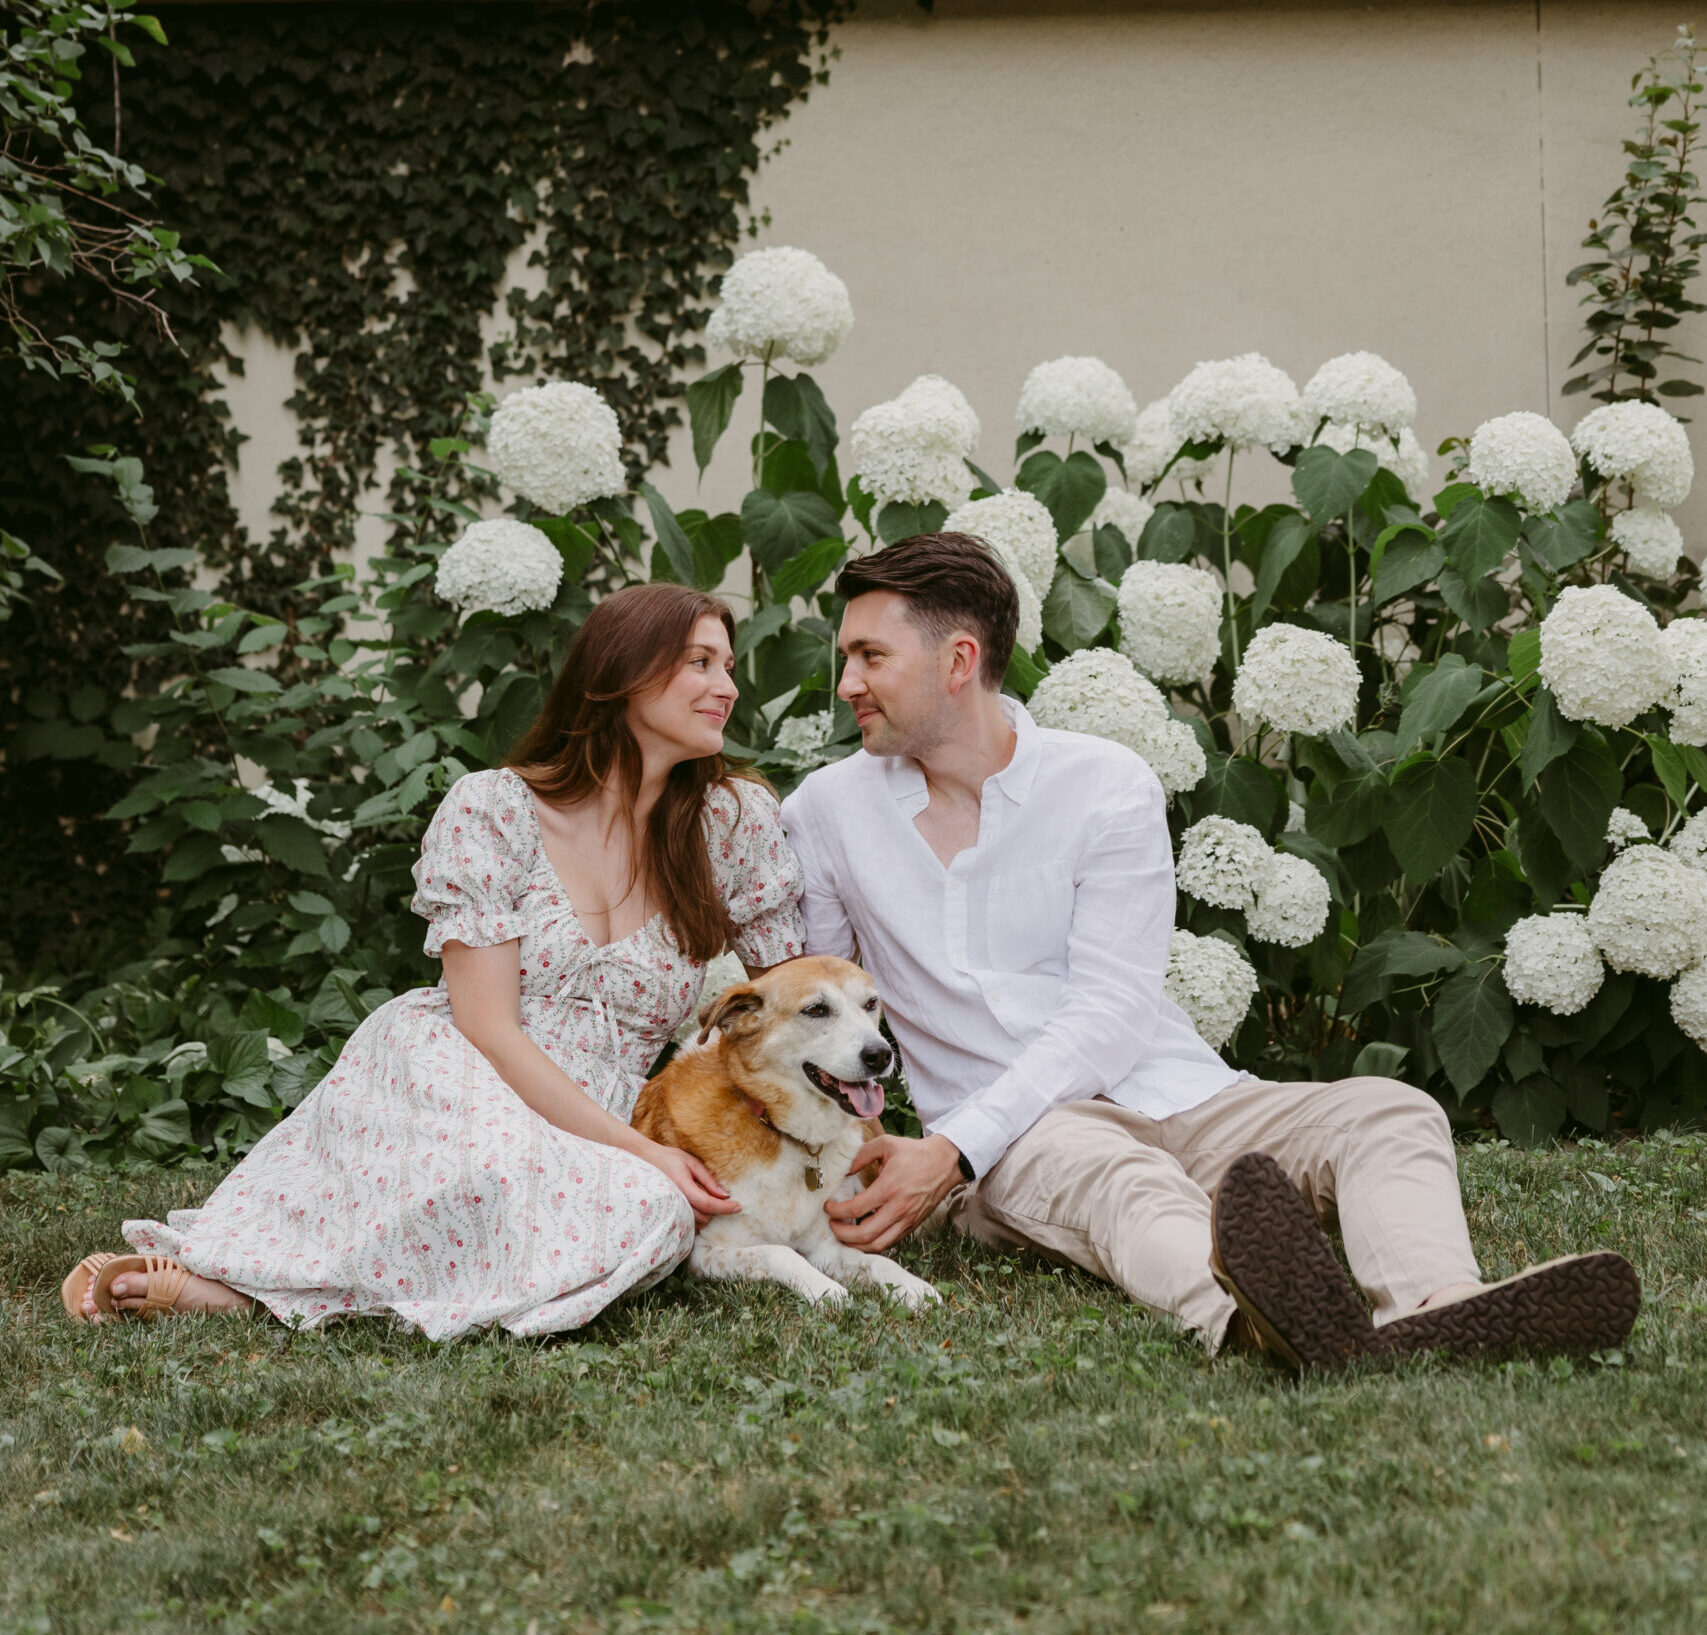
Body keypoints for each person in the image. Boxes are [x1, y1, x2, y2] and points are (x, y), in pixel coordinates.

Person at [780, 532, 1638, 1367]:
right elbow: (816, 1013)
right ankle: (1257, 1320)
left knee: (1389, 1109)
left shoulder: (1103, 784)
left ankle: (1438, 1307)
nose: (848, 681)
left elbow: (1112, 1010)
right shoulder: (828, 810)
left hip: (1182, 1094)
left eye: (869, 656)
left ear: (958, 660)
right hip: (1016, 1140)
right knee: (1120, 1179)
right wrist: (930, 1150)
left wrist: (949, 1144)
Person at [64, 584, 804, 1336]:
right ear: (621, 672)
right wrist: (643, 1148)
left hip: (598, 1107)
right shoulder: (495, 809)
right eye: (701, 663)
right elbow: (488, 1025)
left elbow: (801, 998)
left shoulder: (728, 823)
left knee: (650, 1207)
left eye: (729, 665)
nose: (728, 687)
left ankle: (292, 1302)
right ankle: (237, 1285)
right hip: (460, 1067)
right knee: (497, 1164)